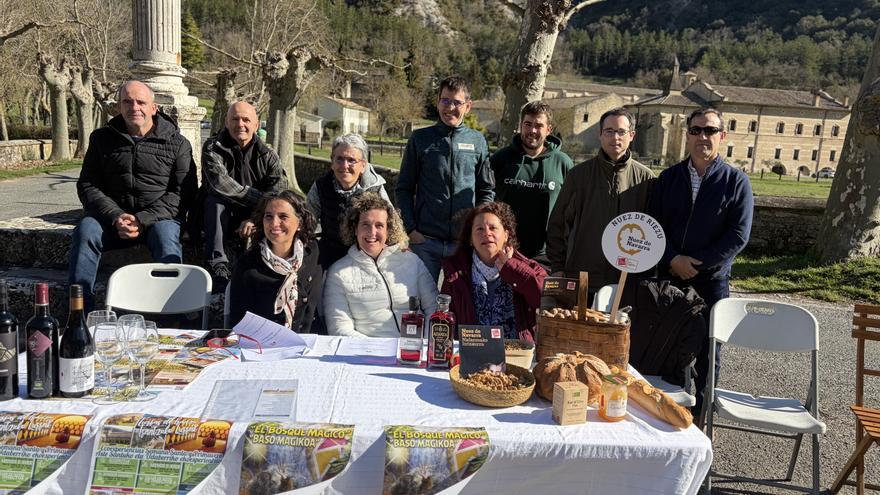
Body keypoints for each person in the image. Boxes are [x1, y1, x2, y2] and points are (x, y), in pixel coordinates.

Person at [648, 107, 753, 414]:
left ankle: (702, 423)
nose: (702, 137)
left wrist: (695, 263)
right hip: (670, 279)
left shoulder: (737, 182)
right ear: (687, 134)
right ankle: (670, 417)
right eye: (695, 130)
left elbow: (737, 236)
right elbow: (654, 227)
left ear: (723, 136)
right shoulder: (669, 179)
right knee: (669, 349)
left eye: (709, 130)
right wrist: (672, 259)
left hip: (712, 281)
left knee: (709, 354)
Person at [69, 80, 197, 312]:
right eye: (127, 101)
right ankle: (79, 312)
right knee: (85, 230)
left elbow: (183, 193)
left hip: (158, 219)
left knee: (167, 237)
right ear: (119, 106)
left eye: (141, 102)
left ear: (153, 108)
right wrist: (116, 216)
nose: (134, 107)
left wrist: (143, 219)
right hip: (111, 220)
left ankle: (171, 313)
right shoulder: (101, 139)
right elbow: (88, 185)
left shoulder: (177, 144)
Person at [545, 107, 654, 296]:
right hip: (582, 279)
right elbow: (558, 224)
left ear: (632, 135)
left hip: (627, 283)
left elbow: (654, 232)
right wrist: (557, 267)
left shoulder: (647, 179)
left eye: (621, 132)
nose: (615, 138)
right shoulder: (578, 176)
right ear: (600, 134)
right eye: (609, 131)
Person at [396, 75, 495, 282]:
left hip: (463, 244)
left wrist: (476, 230)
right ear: (437, 101)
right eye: (445, 100)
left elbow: (486, 190)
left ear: (468, 106)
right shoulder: (420, 139)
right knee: (421, 304)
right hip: (425, 242)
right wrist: (411, 230)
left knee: (462, 306)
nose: (450, 107)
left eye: (457, 102)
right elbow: (404, 188)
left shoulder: (477, 141)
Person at [323, 192, 438, 337]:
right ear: (355, 229)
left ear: (388, 230)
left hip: (416, 350)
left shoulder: (412, 261)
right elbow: (340, 329)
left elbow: (434, 308)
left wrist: (422, 344)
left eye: (379, 225)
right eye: (365, 224)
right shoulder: (338, 273)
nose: (372, 232)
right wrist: (376, 352)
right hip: (368, 355)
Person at [201, 101, 287, 290]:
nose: (240, 124)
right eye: (235, 119)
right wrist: (262, 199)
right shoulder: (212, 148)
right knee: (215, 202)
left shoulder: (268, 155)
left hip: (253, 215)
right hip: (219, 216)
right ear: (226, 122)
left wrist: (255, 218)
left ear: (256, 125)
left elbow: (279, 190)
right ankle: (218, 265)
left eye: (246, 119)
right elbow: (221, 185)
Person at [440, 202, 546, 343]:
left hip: (517, 354)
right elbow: (447, 320)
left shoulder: (528, 267)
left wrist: (511, 269)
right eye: (479, 229)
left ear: (506, 235)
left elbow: (545, 300)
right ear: (471, 238)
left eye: (493, 228)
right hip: (472, 353)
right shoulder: (455, 271)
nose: (487, 233)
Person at [228, 190, 322, 332]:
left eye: (283, 216)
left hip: (308, 343)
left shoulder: (314, 253)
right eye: (269, 217)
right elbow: (239, 322)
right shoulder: (248, 265)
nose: (274, 223)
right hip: (262, 346)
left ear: (299, 223)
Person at [491, 101, 573, 265]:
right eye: (528, 124)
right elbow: (485, 200)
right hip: (505, 250)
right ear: (520, 125)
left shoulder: (563, 163)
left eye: (539, 125)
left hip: (546, 255)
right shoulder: (501, 159)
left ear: (548, 129)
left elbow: (573, 209)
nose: (532, 131)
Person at [306, 134, 390, 271]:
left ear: (363, 165)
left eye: (351, 160)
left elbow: (391, 223)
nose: (345, 166)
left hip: (366, 256)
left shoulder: (375, 188)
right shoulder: (321, 186)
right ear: (332, 162)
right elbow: (307, 222)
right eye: (339, 159)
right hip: (330, 255)